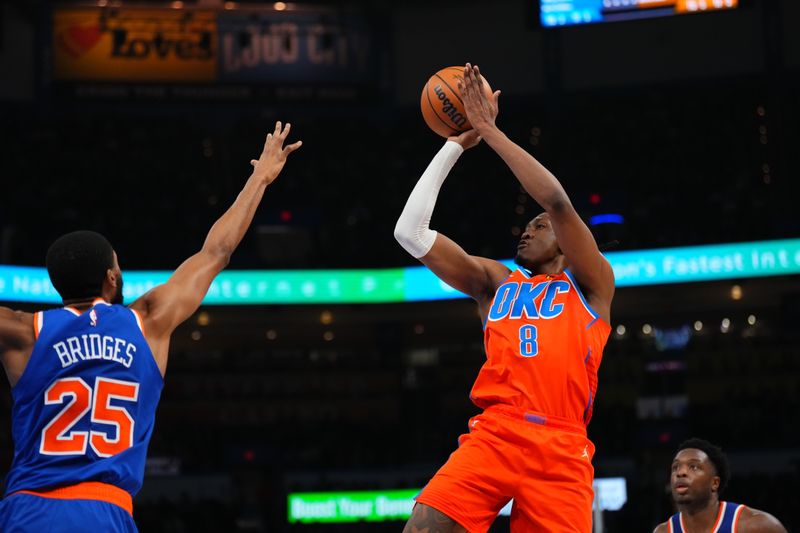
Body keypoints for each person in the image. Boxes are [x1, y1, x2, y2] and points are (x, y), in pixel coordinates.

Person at [0, 122, 301, 532]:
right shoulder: (148, 320)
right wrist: (259, 177)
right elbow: (217, 251)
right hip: (104, 509)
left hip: (28, 510)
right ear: (111, 276)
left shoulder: (23, 331)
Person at [395, 63, 615, 532]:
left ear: (564, 241)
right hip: (498, 431)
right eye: (525, 225)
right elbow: (409, 233)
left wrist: (490, 132)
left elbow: (556, 201)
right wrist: (454, 145)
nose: (526, 231)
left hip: (562, 443)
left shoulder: (591, 286)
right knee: (423, 526)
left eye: (537, 227)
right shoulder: (495, 282)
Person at [653, 438, 787, 533]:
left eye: (693, 467)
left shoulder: (756, 526)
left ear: (715, 483)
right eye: (675, 467)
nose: (680, 472)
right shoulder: (663, 531)